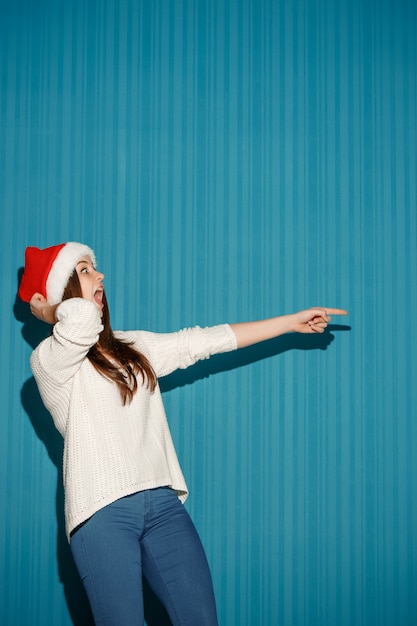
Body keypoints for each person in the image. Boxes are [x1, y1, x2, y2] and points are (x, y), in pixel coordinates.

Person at [18, 242, 347, 626]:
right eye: (87, 270)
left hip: (162, 506)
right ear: (63, 292)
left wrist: (289, 322)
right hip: (101, 514)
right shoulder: (49, 362)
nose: (101, 275)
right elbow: (77, 321)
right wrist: (46, 309)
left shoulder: (132, 347)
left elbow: (204, 341)